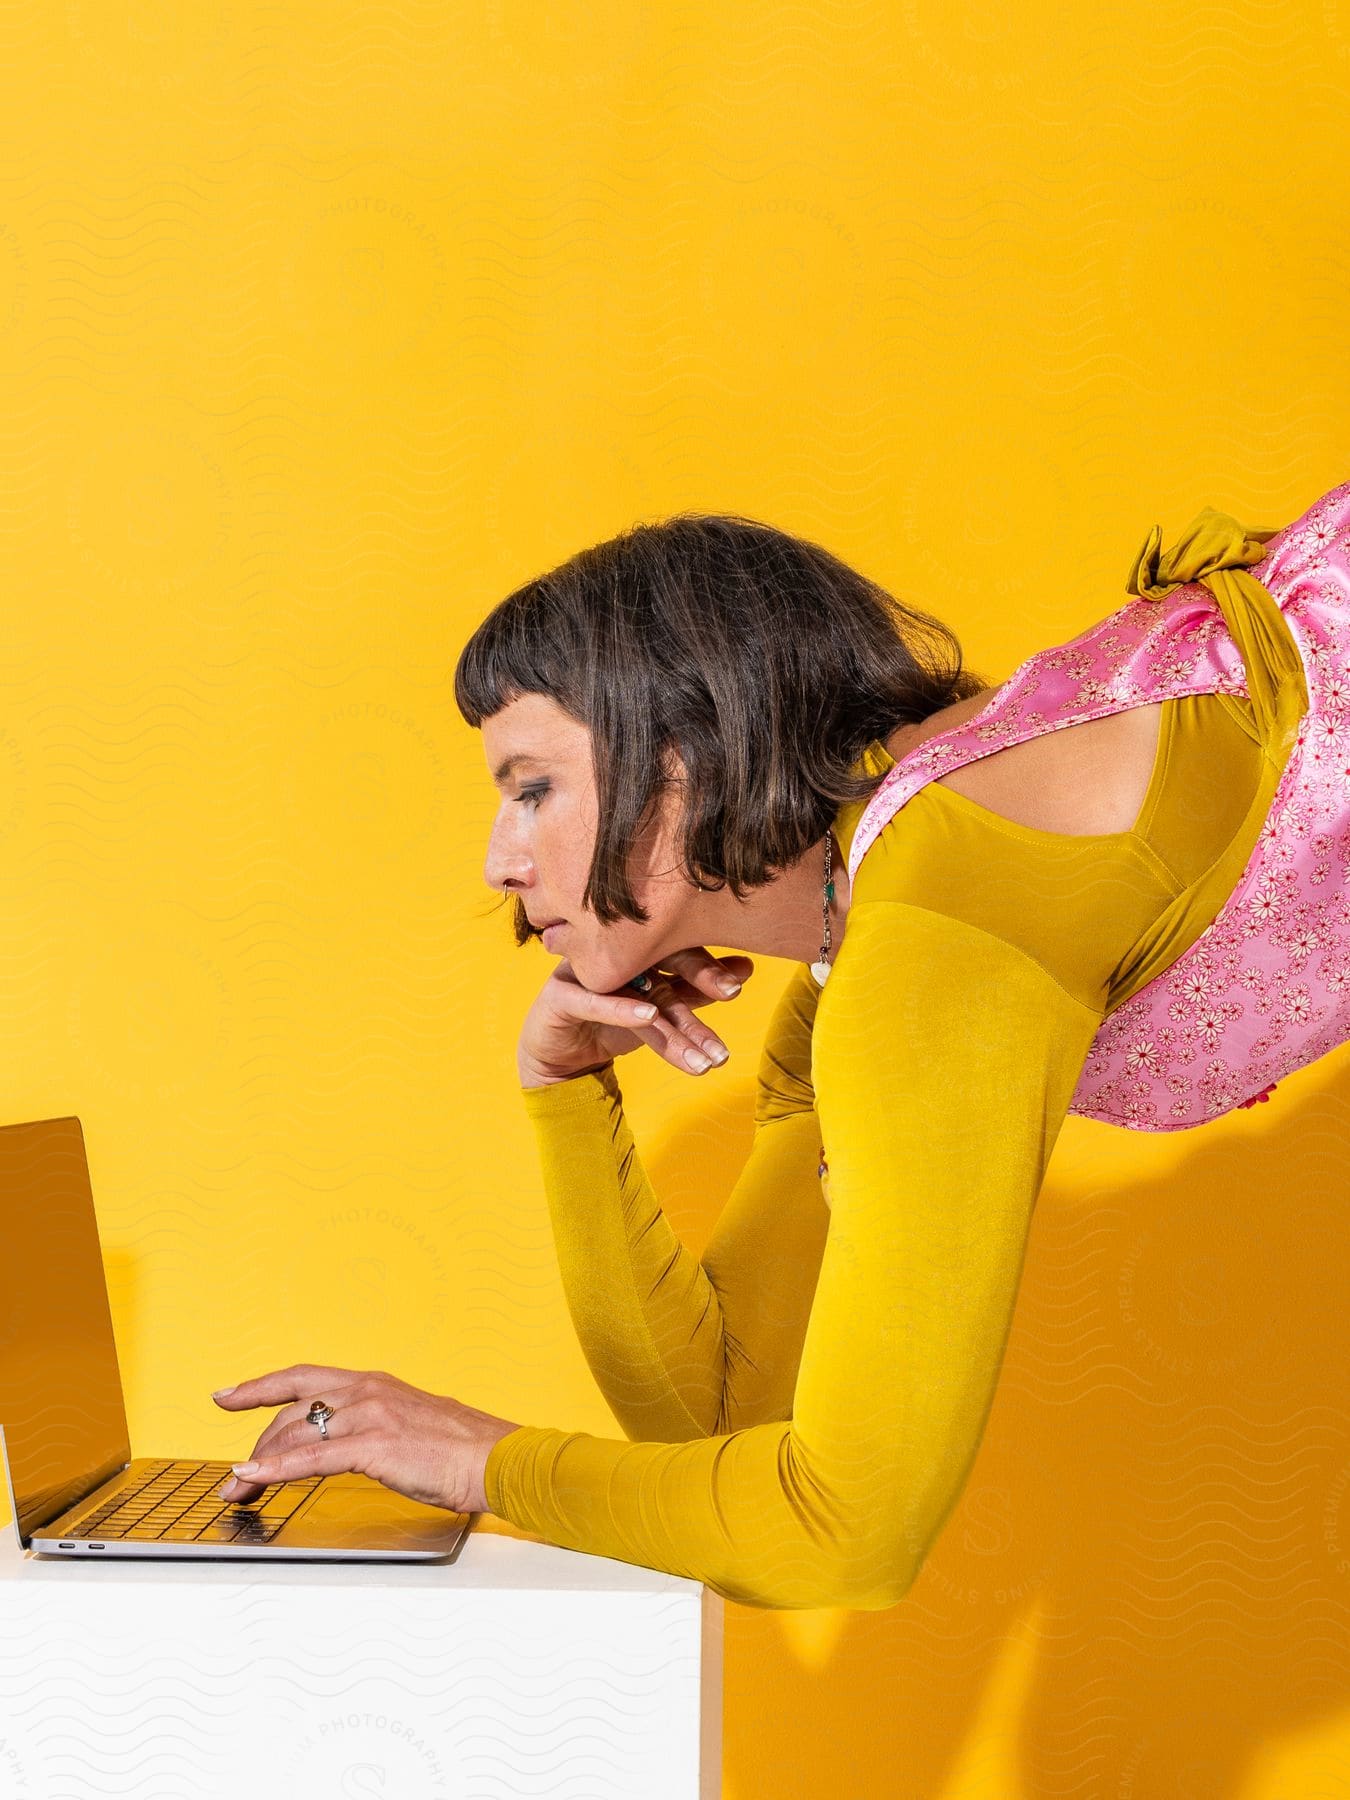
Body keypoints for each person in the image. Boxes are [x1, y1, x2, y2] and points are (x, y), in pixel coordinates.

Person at [213, 481, 1347, 1612]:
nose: (500, 864)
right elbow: (722, 1422)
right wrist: (563, 1095)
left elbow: (840, 1535)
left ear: (683, 759)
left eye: (535, 789)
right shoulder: (872, 914)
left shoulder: (930, 942)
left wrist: (476, 1460)